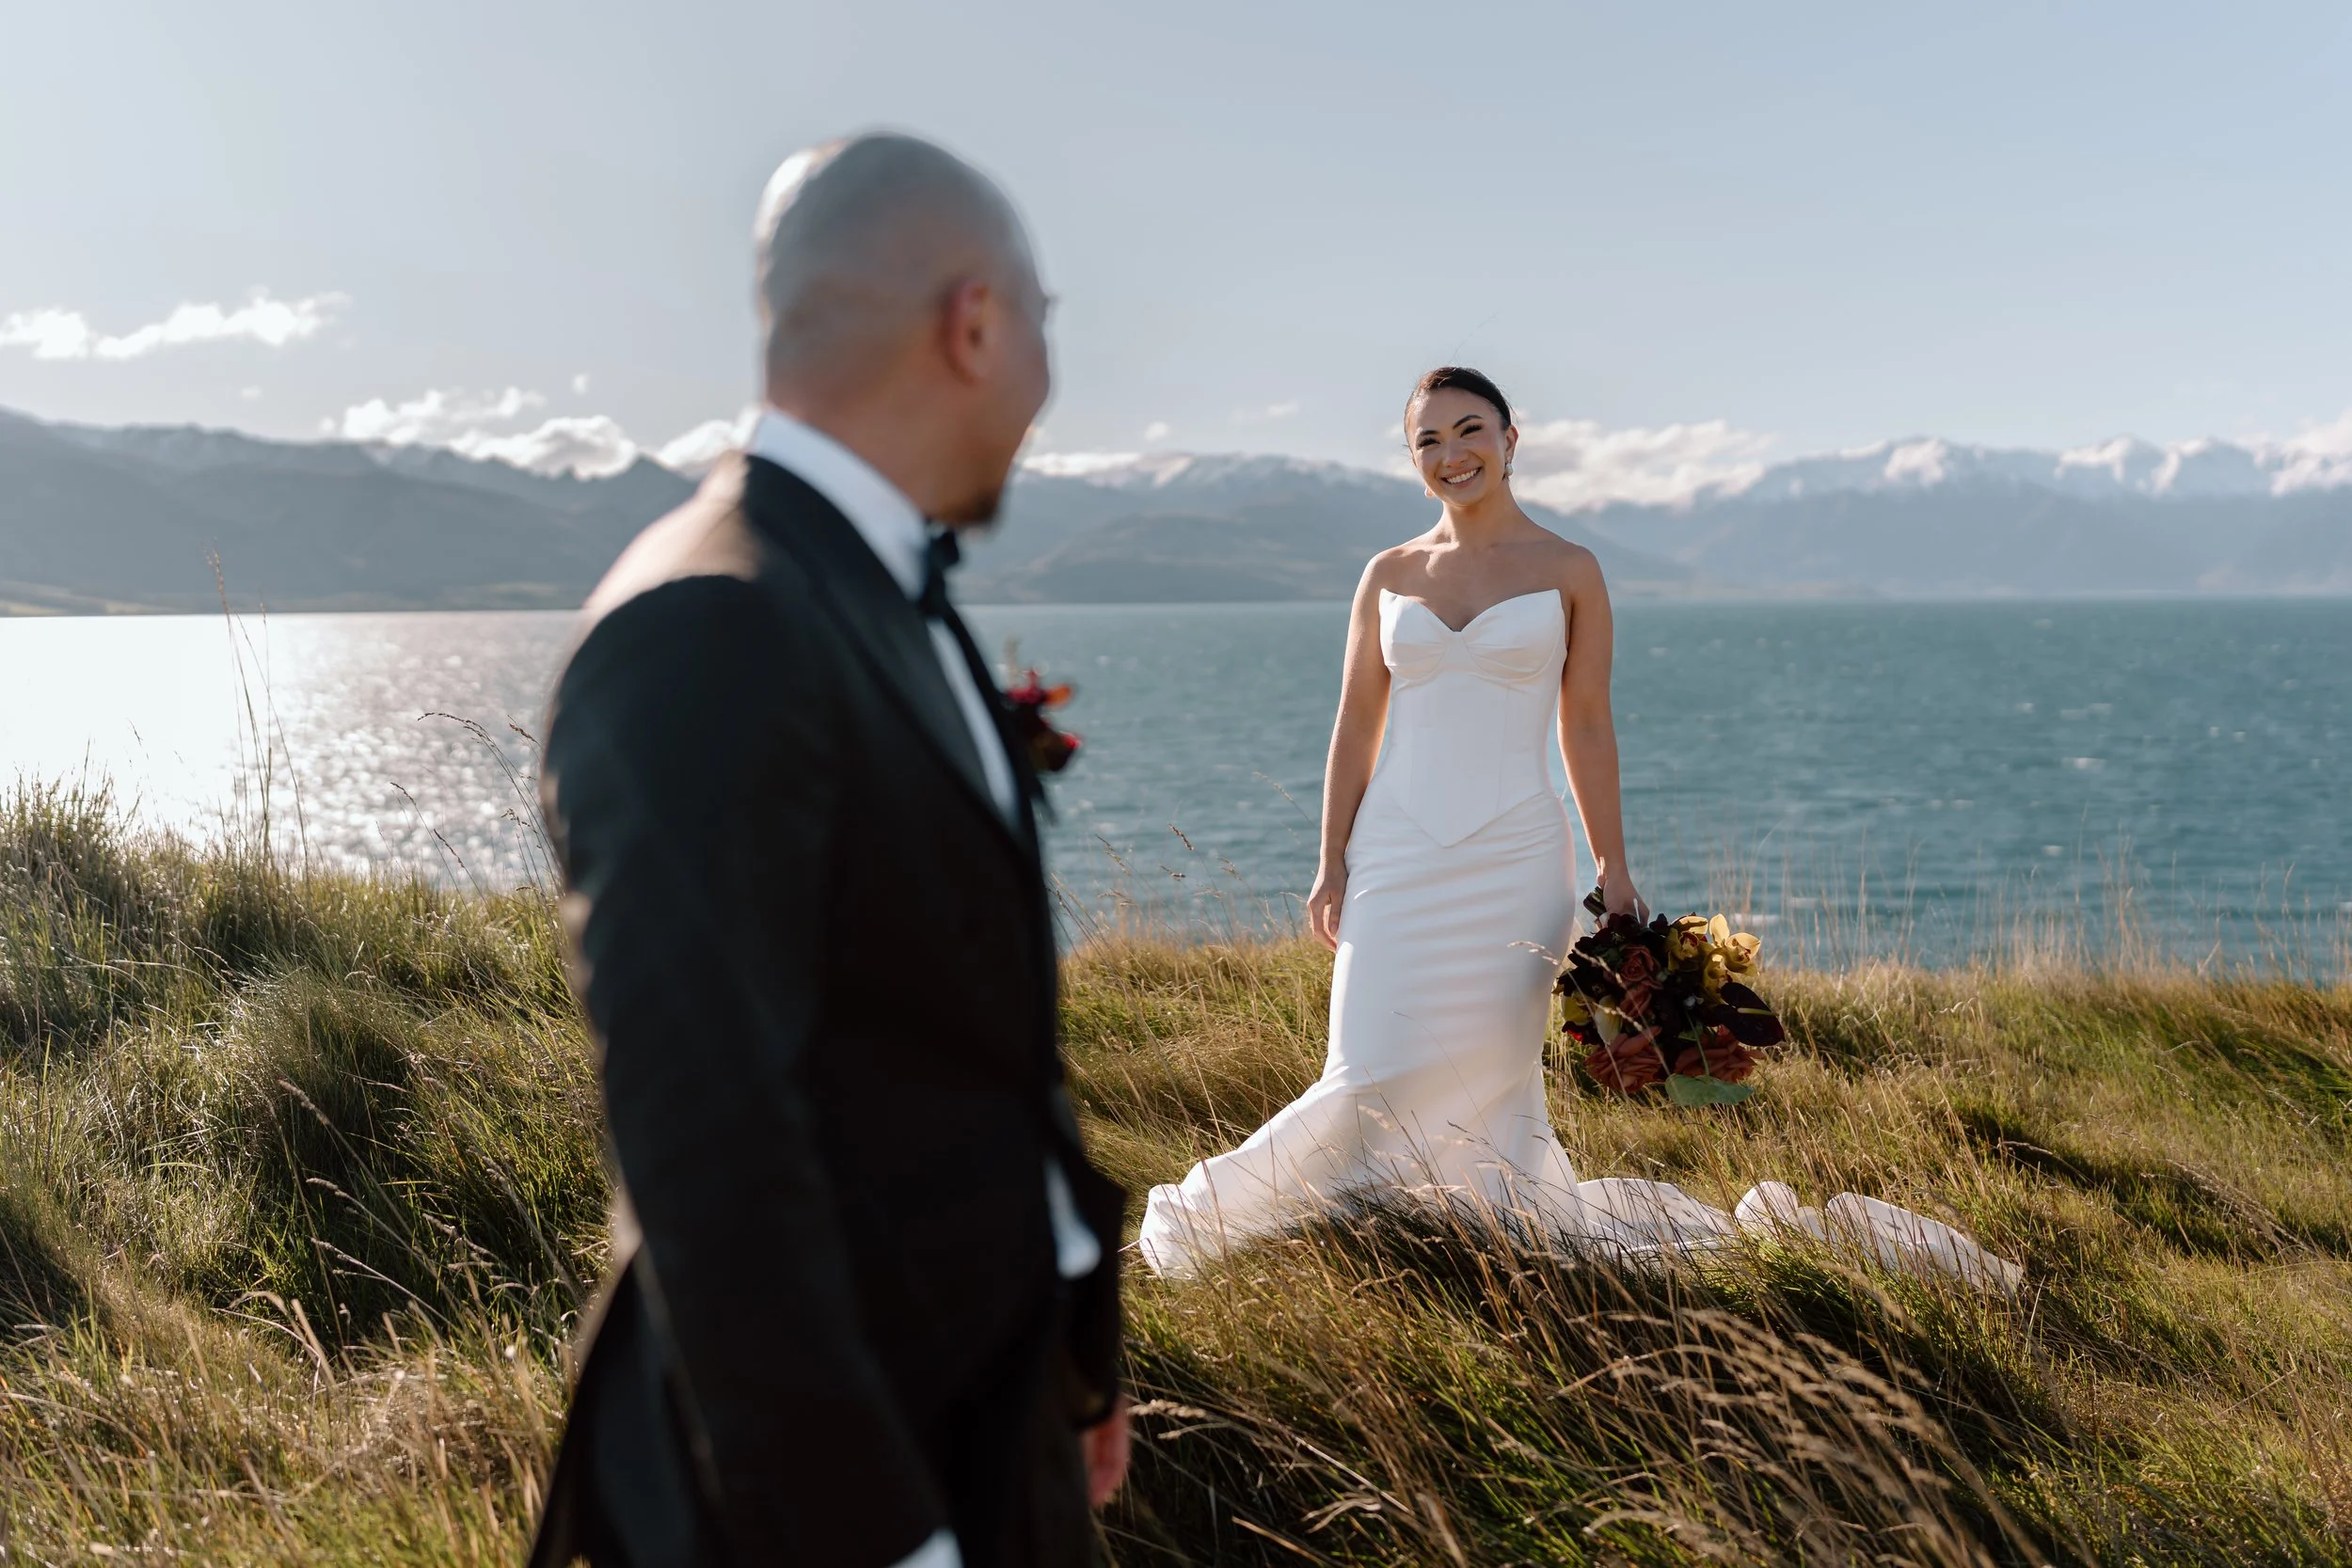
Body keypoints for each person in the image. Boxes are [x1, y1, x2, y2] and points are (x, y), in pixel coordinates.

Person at [529, 133, 1129, 1568]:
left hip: (998, 1407)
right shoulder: (710, 623)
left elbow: (953, 1036)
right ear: (973, 322)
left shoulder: (860, 582)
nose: (1048, 382)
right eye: (1046, 325)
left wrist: (1072, 1349)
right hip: (854, 1477)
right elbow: (707, 1162)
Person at [1136, 368, 2019, 1292]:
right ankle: (1241, 1217)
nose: (1450, 454)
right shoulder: (1387, 574)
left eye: (1468, 429)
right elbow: (1355, 724)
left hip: (1516, 860)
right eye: (1426, 442)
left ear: (1511, 440)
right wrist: (1330, 861)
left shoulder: (1568, 570)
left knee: (1486, 1076)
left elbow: (1586, 724)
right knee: (1365, 1071)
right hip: (1392, 857)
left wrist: (1615, 867)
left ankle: (1440, 1241)